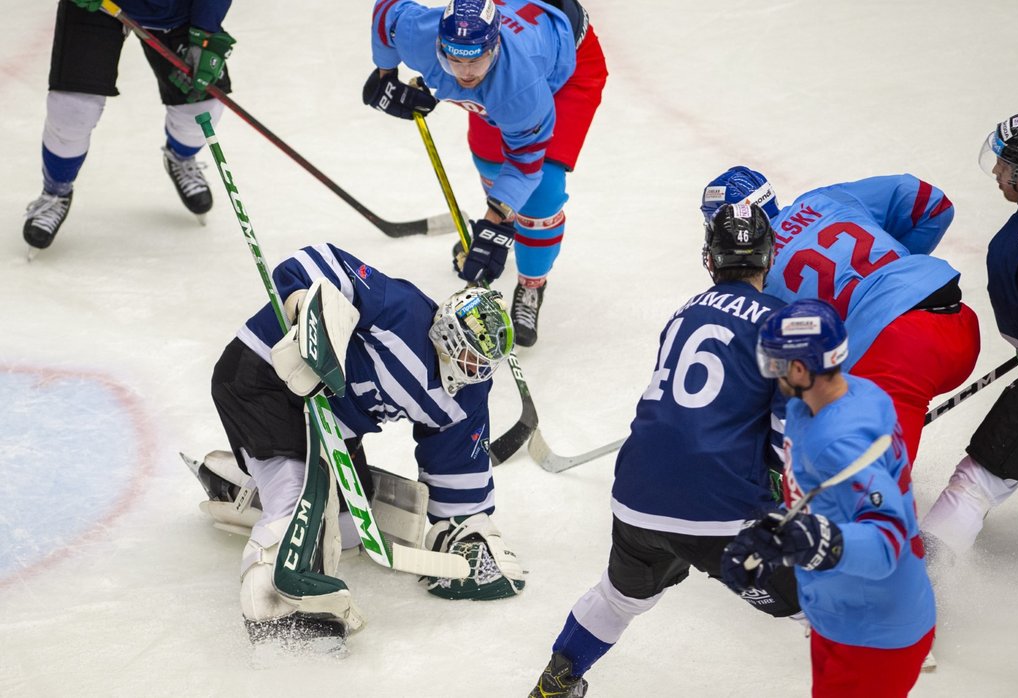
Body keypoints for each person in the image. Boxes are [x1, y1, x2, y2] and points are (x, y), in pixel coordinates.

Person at [528, 204, 802, 698]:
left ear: (710, 261)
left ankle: (555, 685)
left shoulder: (684, 312)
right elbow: (786, 428)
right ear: (770, 256)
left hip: (636, 494)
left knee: (617, 598)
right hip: (719, 512)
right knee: (823, 603)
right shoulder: (780, 321)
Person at [202, 242, 526, 644]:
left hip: (327, 419)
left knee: (349, 526)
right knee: (305, 500)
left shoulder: (464, 398)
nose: (468, 359)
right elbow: (326, 263)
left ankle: (245, 487)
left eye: (480, 357)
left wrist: (463, 530)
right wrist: (304, 306)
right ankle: (274, 601)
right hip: (262, 374)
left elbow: (457, 460)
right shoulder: (403, 312)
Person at [722, 298, 935, 698]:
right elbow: (818, 502)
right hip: (839, 615)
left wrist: (810, 540)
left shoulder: (841, 442)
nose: (771, 372)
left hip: (874, 632)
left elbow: (886, 539)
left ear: (800, 369)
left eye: (775, 364)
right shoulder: (829, 401)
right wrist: (774, 540)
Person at [364, 0, 608, 346]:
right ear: (439, 44)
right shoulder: (420, 33)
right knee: (490, 161)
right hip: (512, 63)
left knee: (542, 191)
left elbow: (525, 165)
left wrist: (493, 223)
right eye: (455, 60)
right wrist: (385, 75)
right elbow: (386, 12)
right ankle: (506, 226)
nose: (465, 73)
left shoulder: (519, 88)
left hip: (568, 70)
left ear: (494, 48)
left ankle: (531, 284)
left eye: (475, 60)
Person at [702, 167, 981, 466]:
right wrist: (897, 279)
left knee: (864, 486)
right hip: (961, 326)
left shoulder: (756, 274)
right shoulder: (823, 200)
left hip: (900, 354)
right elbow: (931, 203)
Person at [921, 111, 1018, 557]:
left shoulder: (1012, 244)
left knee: (978, 481)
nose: (996, 172)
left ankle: (921, 588)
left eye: (1005, 166)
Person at [23, 0, 236, 251]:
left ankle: (181, 156)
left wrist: (206, 34)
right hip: (99, 5)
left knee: (200, 111)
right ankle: (55, 192)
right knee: (73, 110)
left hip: (177, 11)